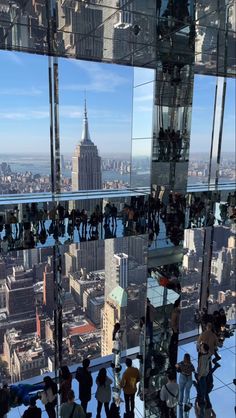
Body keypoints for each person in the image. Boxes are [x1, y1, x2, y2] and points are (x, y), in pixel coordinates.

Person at [197, 343, 211, 417]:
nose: (200, 348)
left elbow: (202, 368)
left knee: (202, 389)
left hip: (202, 376)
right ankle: (202, 402)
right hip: (204, 375)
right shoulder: (207, 355)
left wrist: (199, 376)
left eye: (201, 347)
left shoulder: (203, 357)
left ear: (204, 349)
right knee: (203, 388)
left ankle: (202, 403)